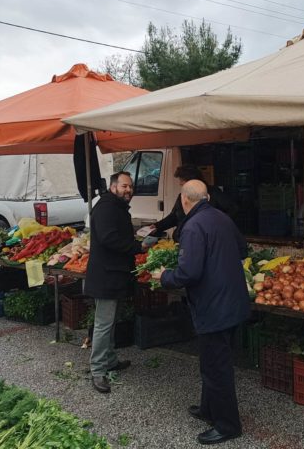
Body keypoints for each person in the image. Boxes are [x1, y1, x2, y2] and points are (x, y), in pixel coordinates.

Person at [151, 180, 250, 446]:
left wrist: (165, 276)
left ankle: (228, 425)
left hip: (214, 306)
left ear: (185, 200)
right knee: (211, 362)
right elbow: (243, 250)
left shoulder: (193, 226)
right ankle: (209, 410)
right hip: (231, 302)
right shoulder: (221, 217)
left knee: (216, 368)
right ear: (205, 197)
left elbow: (189, 273)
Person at [84, 171, 153, 394]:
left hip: (115, 273)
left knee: (110, 322)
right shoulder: (106, 207)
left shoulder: (116, 207)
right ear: (113, 187)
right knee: (104, 323)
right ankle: (97, 370)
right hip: (106, 275)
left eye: (130, 186)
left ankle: (110, 359)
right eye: (124, 186)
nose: (128, 190)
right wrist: (137, 247)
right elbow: (108, 238)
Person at [150, 164, 238, 242]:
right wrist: (157, 226)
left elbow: (232, 209)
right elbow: (174, 217)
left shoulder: (214, 193)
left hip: (208, 240)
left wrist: (217, 227)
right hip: (184, 239)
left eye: (182, 180)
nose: (180, 184)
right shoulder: (182, 196)